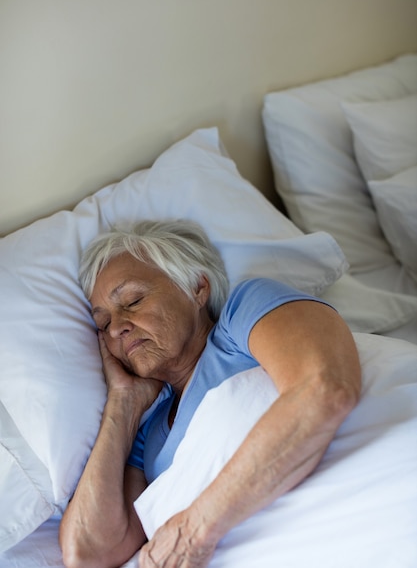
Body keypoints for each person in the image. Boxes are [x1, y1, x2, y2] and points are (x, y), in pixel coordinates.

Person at [59, 219, 361, 568]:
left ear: (197, 288)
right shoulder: (148, 433)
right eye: (104, 324)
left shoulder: (242, 315)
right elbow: (87, 553)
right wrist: (122, 404)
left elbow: (325, 389)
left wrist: (194, 530)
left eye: (132, 300)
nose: (118, 328)